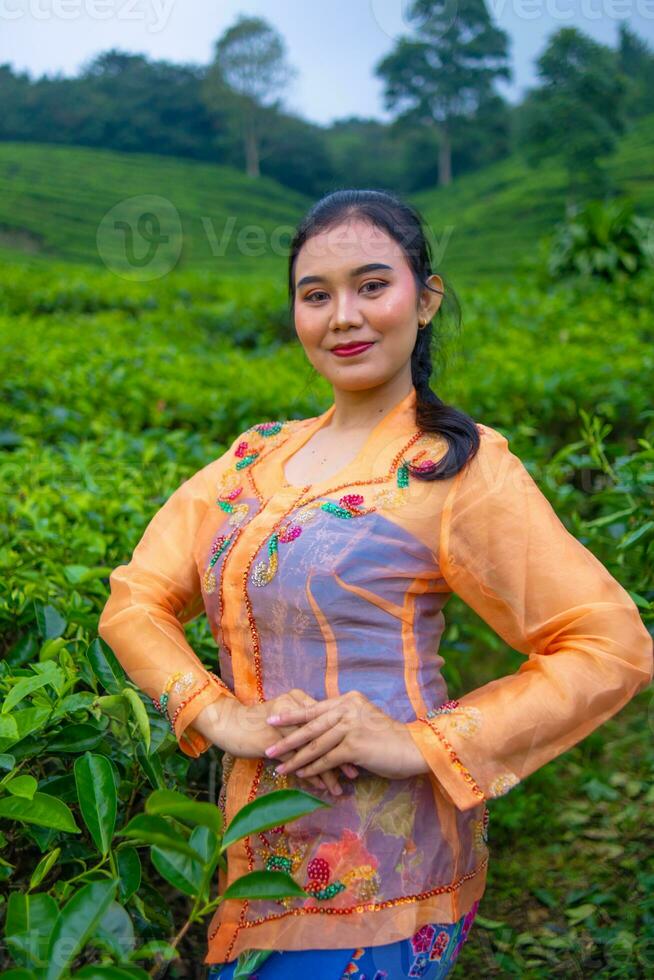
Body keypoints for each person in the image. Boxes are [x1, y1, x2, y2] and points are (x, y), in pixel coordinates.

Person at [98, 189, 653, 978]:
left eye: (371, 285)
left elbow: (610, 644)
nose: (343, 317)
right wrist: (220, 715)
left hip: (387, 872)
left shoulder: (455, 468)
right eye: (315, 295)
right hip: (240, 857)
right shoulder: (253, 460)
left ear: (425, 300)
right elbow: (135, 601)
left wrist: (415, 741)